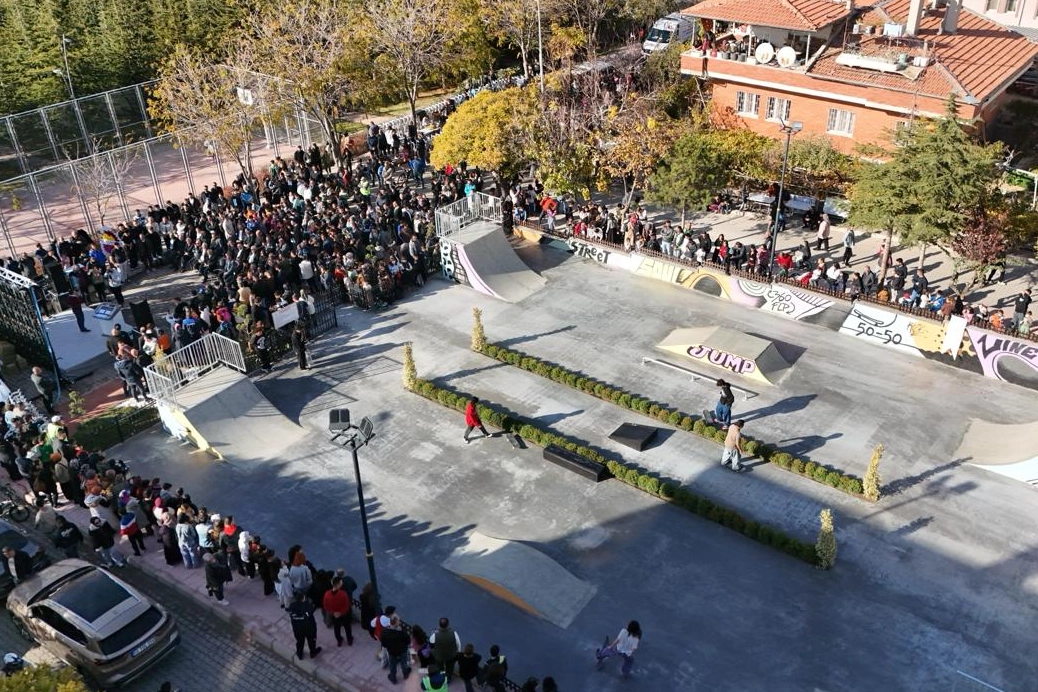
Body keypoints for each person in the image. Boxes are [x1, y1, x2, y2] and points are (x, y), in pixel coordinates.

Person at [287, 590, 322, 660]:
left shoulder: (292, 606)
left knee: (300, 641)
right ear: (303, 598)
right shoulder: (307, 606)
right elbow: (312, 610)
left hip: (297, 629)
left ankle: (299, 653)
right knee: (311, 641)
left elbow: (291, 614)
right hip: (309, 628)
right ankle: (312, 652)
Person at [322, 576, 354, 646]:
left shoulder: (327, 594)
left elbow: (326, 606)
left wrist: (333, 613)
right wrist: (341, 613)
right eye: (341, 582)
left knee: (337, 628)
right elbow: (347, 606)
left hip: (334, 615)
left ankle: (339, 641)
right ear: (338, 584)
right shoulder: (343, 594)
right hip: (344, 614)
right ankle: (349, 640)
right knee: (347, 627)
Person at [380, 615, 412, 684]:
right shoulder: (401, 633)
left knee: (392, 665)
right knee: (404, 663)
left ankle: (393, 678)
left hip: (392, 652)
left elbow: (384, 644)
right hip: (402, 651)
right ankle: (405, 674)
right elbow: (408, 641)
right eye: (398, 621)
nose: (399, 622)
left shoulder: (385, 632)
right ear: (396, 623)